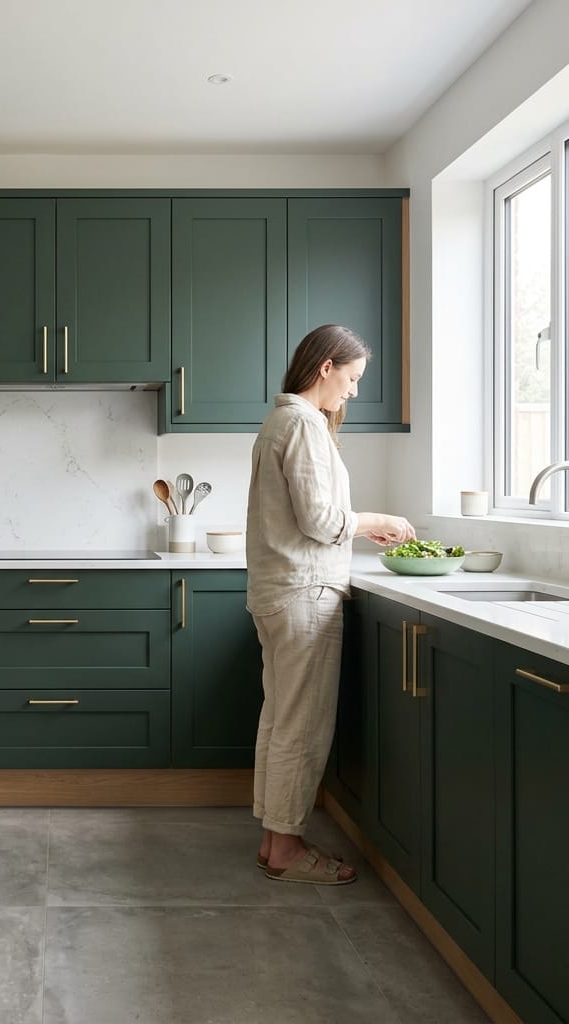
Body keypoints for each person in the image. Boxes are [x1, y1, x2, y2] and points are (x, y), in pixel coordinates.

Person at [245, 324, 415, 885]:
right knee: (302, 726)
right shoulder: (303, 424)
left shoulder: (282, 422)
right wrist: (376, 522)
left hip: (280, 592)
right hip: (305, 592)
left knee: (281, 720)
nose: (355, 391)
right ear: (326, 368)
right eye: (353, 377)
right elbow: (321, 521)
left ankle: (275, 842)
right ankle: (288, 849)